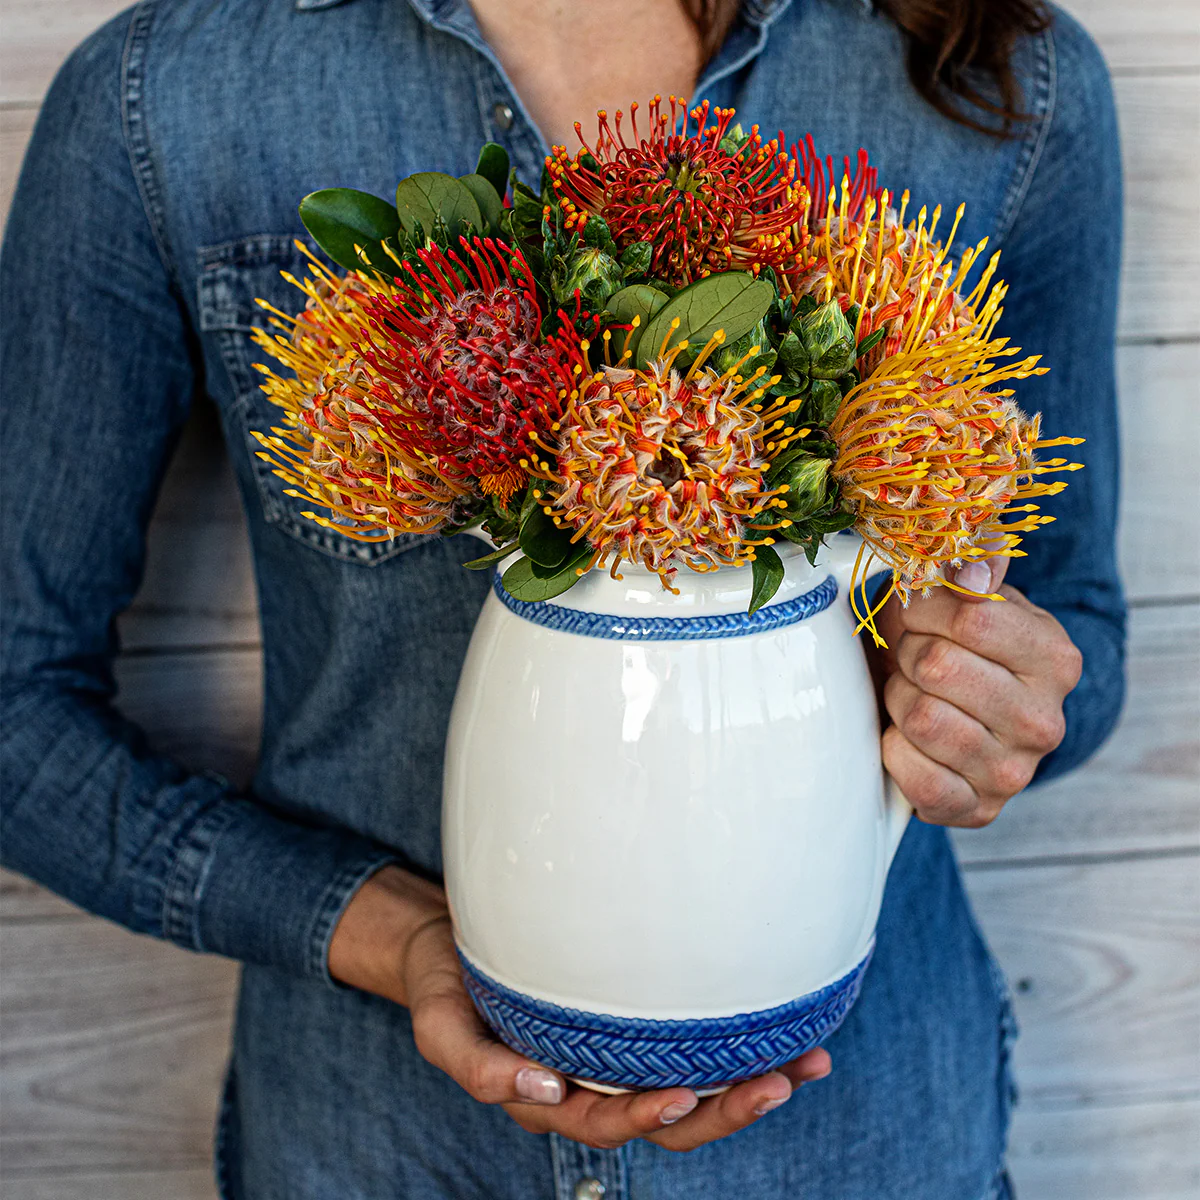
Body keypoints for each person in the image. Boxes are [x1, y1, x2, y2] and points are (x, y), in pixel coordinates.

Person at [0, 0, 1125, 1196]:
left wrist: (967, 696)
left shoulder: (1008, 81)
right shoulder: (162, 97)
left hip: (859, 1138)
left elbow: (1076, 636)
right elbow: (18, 713)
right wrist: (381, 930)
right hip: (383, 1141)